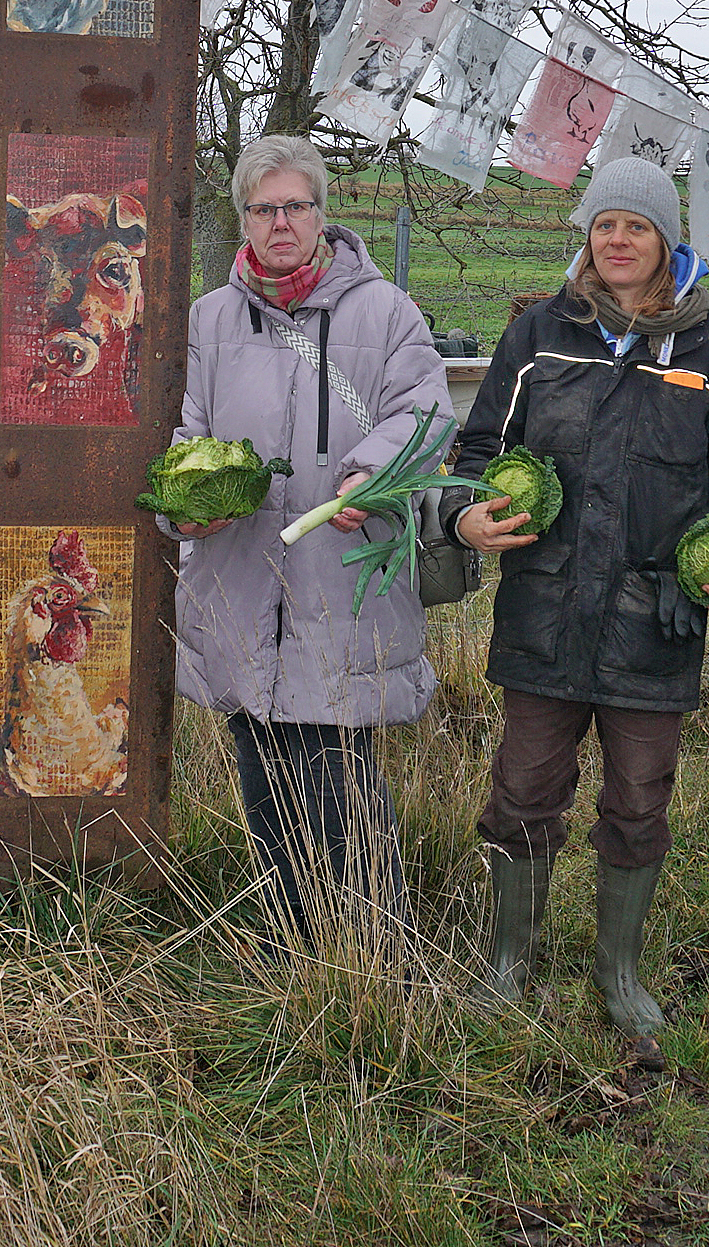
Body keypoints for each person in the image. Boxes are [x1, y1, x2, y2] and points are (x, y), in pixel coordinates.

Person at [453, 157, 709, 1042]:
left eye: (635, 226)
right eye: (604, 223)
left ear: (666, 241)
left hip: (655, 625)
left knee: (639, 800)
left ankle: (620, 970)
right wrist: (465, 515)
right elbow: (475, 454)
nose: (616, 240)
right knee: (523, 789)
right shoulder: (540, 333)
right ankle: (510, 960)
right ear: (588, 235)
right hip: (545, 613)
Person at [164, 134, 454, 949]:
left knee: (339, 784)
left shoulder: (385, 312)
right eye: (262, 208)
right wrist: (186, 509)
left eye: (294, 205)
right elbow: (189, 433)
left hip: (339, 589)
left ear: (322, 213)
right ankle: (292, 947)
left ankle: (378, 958)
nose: (279, 221)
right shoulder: (211, 318)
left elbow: (425, 416)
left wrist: (374, 472)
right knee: (262, 782)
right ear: (243, 218)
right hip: (240, 588)